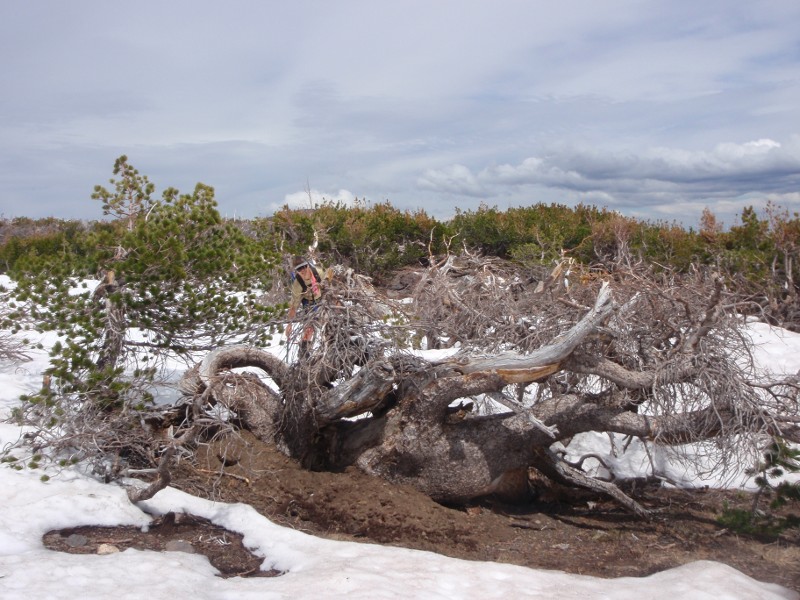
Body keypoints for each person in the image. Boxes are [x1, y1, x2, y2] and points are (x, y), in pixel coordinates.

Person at [285, 256, 323, 358]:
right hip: (309, 302)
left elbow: (329, 286)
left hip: (322, 298)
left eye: (304, 267)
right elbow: (294, 306)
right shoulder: (297, 284)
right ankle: (304, 351)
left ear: (308, 265)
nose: (302, 270)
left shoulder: (318, 273)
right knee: (309, 326)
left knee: (329, 322)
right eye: (299, 269)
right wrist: (289, 324)